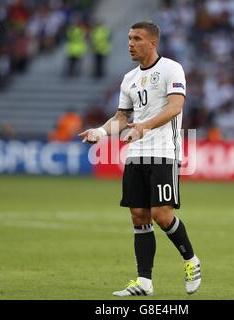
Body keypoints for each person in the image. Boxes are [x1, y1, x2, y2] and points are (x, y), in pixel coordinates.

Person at [78, 21, 201, 296]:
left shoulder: (171, 68)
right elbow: (121, 118)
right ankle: (144, 282)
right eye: (129, 38)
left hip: (163, 152)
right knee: (138, 215)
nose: (130, 43)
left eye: (137, 38)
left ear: (152, 43)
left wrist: (144, 127)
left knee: (162, 215)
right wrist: (100, 131)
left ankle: (191, 260)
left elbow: (175, 107)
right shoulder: (129, 79)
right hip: (136, 153)